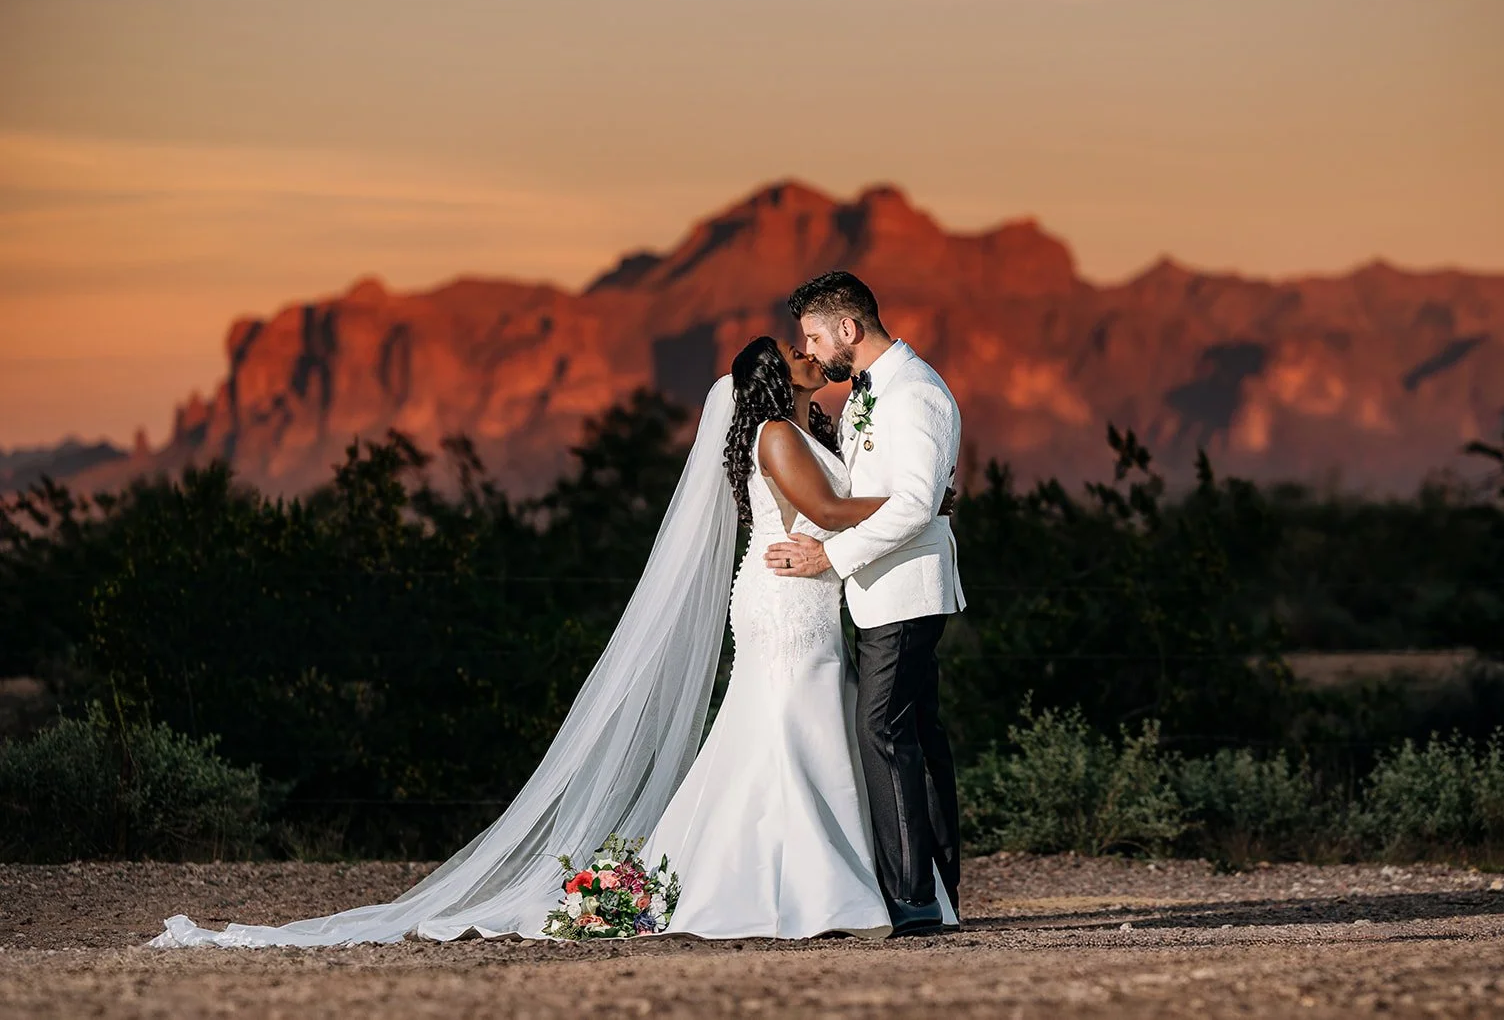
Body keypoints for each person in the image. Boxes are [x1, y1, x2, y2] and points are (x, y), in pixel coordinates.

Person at [149, 327, 958, 947]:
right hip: (785, 603)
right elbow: (826, 511)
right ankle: (798, 885)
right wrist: (918, 506)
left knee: (794, 732)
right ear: (776, 378)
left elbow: (835, 503)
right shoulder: (776, 434)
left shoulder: (806, 429)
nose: (809, 356)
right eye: (795, 353)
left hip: (808, 597)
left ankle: (827, 879)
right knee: (784, 731)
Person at [765, 270, 965, 935]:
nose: (810, 350)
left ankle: (911, 898)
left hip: (905, 587)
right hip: (879, 589)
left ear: (848, 328)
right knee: (916, 736)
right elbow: (871, 491)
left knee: (882, 731)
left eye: (815, 336)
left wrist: (828, 556)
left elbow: (913, 504)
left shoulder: (914, 391)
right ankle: (936, 890)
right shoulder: (866, 392)